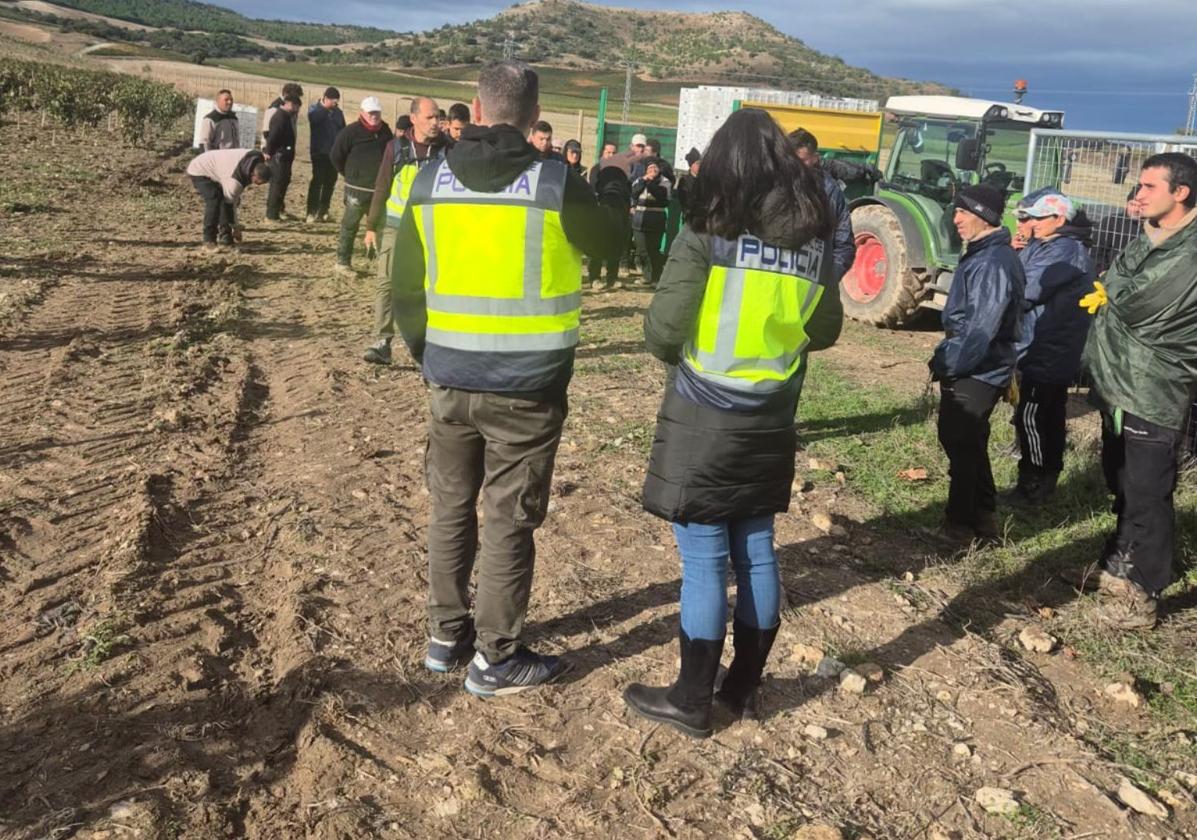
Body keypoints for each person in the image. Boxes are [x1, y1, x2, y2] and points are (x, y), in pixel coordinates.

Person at [390, 61, 629, 697]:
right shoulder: (555, 181)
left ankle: (445, 636)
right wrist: (610, 187)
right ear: (533, 114)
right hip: (527, 389)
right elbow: (612, 246)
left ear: (475, 106)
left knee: (449, 506)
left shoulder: (428, 179)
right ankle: (496, 659)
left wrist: (429, 354)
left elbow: (403, 285)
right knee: (507, 519)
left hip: (448, 379)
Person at [623, 108, 839, 738]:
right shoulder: (814, 240)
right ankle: (742, 689)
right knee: (757, 548)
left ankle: (691, 699)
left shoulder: (706, 232)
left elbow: (663, 330)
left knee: (704, 560)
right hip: (770, 413)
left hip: (704, 414)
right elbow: (822, 329)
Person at [1080, 153, 1197, 630]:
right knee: (1123, 482)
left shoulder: (1189, 252)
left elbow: (1136, 298)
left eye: (1149, 186)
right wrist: (1112, 286)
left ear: (1181, 192)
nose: (1138, 194)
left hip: (1154, 387)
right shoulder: (1156, 237)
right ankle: (1118, 567)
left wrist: (1112, 289)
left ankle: (1142, 591)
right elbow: (1115, 277)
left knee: (1148, 493)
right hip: (1122, 382)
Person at [929, 185, 1025, 544]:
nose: (955, 219)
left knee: (959, 440)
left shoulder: (992, 263)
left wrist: (947, 362)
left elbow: (979, 329)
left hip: (977, 367)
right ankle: (984, 519)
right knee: (970, 441)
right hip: (981, 364)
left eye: (962, 212)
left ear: (983, 215)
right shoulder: (985, 254)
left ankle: (959, 526)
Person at [1006, 188, 1094, 504]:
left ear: (1058, 218)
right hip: (1041, 345)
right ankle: (1044, 478)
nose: (1032, 223)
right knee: (1047, 415)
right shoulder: (1045, 245)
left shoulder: (1063, 251)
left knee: (1033, 416)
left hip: (1046, 349)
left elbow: (1025, 290)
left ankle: (1033, 482)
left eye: (1039, 218)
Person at [362, 96, 448, 365]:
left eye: (438, 117)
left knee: (430, 287)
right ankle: (381, 342)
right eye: (430, 117)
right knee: (386, 283)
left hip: (433, 230)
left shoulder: (449, 150)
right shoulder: (396, 147)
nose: (436, 123)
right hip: (396, 227)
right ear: (414, 118)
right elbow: (382, 186)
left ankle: (430, 348)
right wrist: (371, 226)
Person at [329, 96, 393, 275]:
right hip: (356, 192)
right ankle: (343, 263)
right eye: (371, 113)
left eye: (377, 112)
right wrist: (350, 175)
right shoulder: (350, 132)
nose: (374, 116)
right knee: (350, 227)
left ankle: (382, 265)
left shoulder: (386, 131)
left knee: (381, 228)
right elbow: (336, 156)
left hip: (379, 192)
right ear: (362, 113)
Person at [789, 128, 856, 281]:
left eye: (801, 161)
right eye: (791, 160)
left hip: (816, 284)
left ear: (815, 158)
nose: (795, 167)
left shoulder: (830, 192)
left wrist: (828, 280)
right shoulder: (772, 186)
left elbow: (844, 244)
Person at [186, 148, 271, 251]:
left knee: (224, 199)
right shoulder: (234, 181)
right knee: (215, 199)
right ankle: (209, 240)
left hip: (219, 166)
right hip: (200, 168)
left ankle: (225, 238)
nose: (258, 185)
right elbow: (230, 205)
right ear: (252, 174)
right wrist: (236, 228)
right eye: (257, 181)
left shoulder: (258, 157)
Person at [587, 141, 624, 290]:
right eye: (608, 152)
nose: (611, 155)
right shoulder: (597, 169)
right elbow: (595, 188)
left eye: (614, 153)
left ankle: (612, 278)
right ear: (602, 153)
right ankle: (594, 278)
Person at [306, 87, 345, 223]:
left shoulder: (338, 113)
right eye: (334, 101)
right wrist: (325, 109)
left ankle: (324, 211)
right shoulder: (314, 110)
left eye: (337, 102)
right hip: (319, 152)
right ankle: (311, 212)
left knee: (330, 182)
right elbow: (314, 120)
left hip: (333, 154)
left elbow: (342, 130)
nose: (336, 104)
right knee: (317, 182)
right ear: (325, 99)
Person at [631, 158, 672, 287]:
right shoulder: (639, 180)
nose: (653, 171)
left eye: (655, 168)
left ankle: (656, 277)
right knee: (642, 250)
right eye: (650, 169)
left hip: (656, 219)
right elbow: (635, 194)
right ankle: (647, 276)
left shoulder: (665, 182)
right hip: (640, 219)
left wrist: (650, 183)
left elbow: (661, 197)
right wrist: (644, 180)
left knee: (653, 250)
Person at [263, 93, 301, 223]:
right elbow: (272, 136)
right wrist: (268, 151)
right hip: (279, 157)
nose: (298, 110)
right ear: (291, 104)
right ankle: (271, 215)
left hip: (284, 156)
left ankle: (276, 212)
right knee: (277, 185)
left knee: (282, 184)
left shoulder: (286, 116)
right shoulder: (280, 117)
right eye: (297, 107)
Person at [675, 147, 701, 222]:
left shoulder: (705, 180)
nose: (700, 166)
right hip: (690, 217)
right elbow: (683, 199)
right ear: (691, 165)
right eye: (697, 163)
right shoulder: (684, 180)